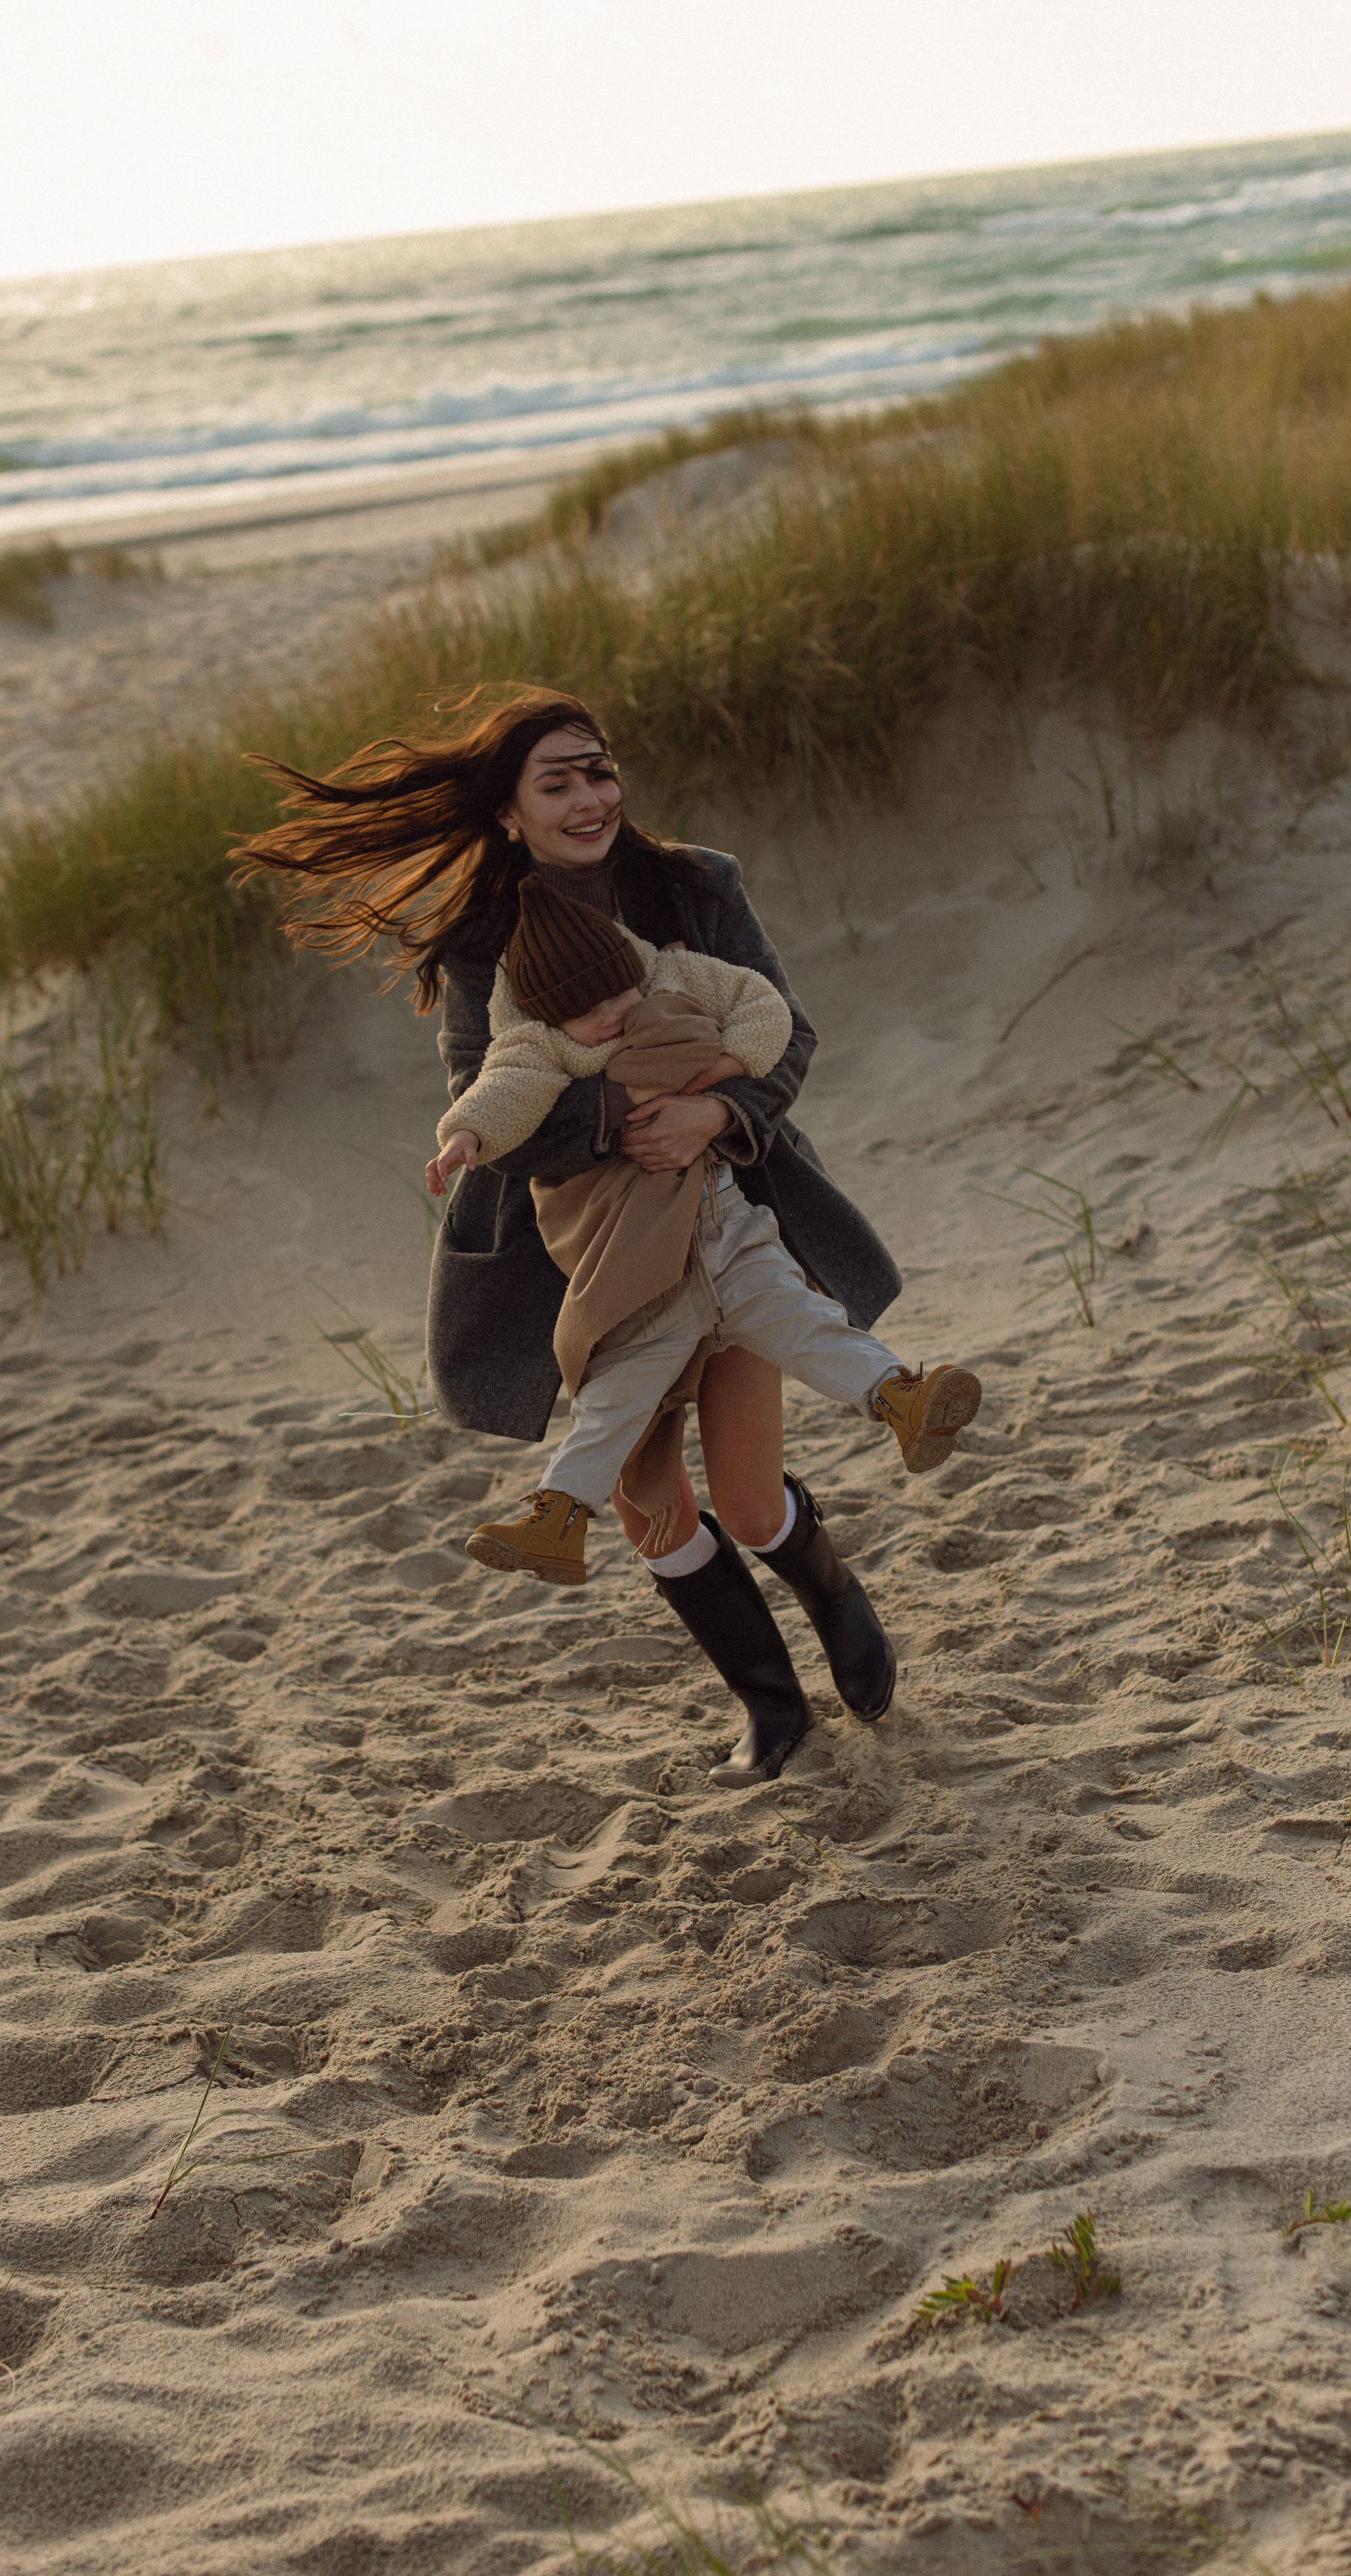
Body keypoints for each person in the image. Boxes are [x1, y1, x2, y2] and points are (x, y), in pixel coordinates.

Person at [233, 686, 981, 1788]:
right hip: (583, 1259)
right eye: (559, 780)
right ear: (509, 812)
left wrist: (714, 1116)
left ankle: (835, 1597)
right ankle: (772, 1708)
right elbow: (485, 1093)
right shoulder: (489, 935)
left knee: (747, 1491)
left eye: (600, 769)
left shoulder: (694, 884)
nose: (590, 796)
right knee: (645, 1505)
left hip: (726, 1213)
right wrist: (627, 1121)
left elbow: (786, 1027)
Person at [424, 874, 980, 1583]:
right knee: (615, 1392)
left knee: (803, 1319)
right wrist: (465, 1137)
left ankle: (903, 1398)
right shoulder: (540, 1046)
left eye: (619, 993)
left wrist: (721, 1075)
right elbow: (504, 1091)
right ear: (549, 1018)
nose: (614, 1015)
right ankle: (557, 1517)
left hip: (726, 1229)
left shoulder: (672, 974)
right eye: (589, 1012)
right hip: (640, 1264)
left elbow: (764, 1007)